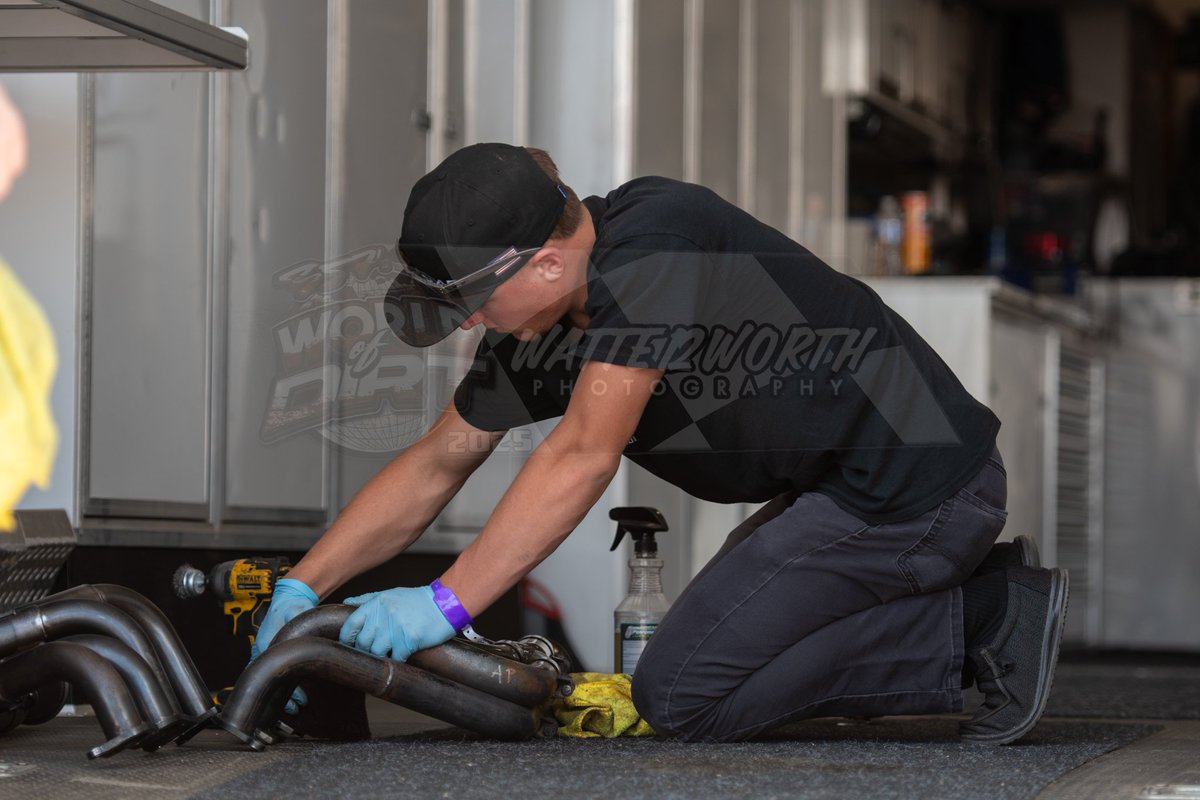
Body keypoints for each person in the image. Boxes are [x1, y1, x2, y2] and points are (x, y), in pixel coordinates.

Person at [256, 142, 1069, 744]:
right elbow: (440, 460)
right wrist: (301, 588)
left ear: (544, 264)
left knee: (684, 693)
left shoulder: (656, 241)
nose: (468, 323)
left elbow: (582, 454)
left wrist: (445, 602)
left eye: (474, 302)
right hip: (842, 495)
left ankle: (989, 618)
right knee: (723, 655)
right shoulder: (540, 324)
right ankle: (962, 601)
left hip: (916, 493)